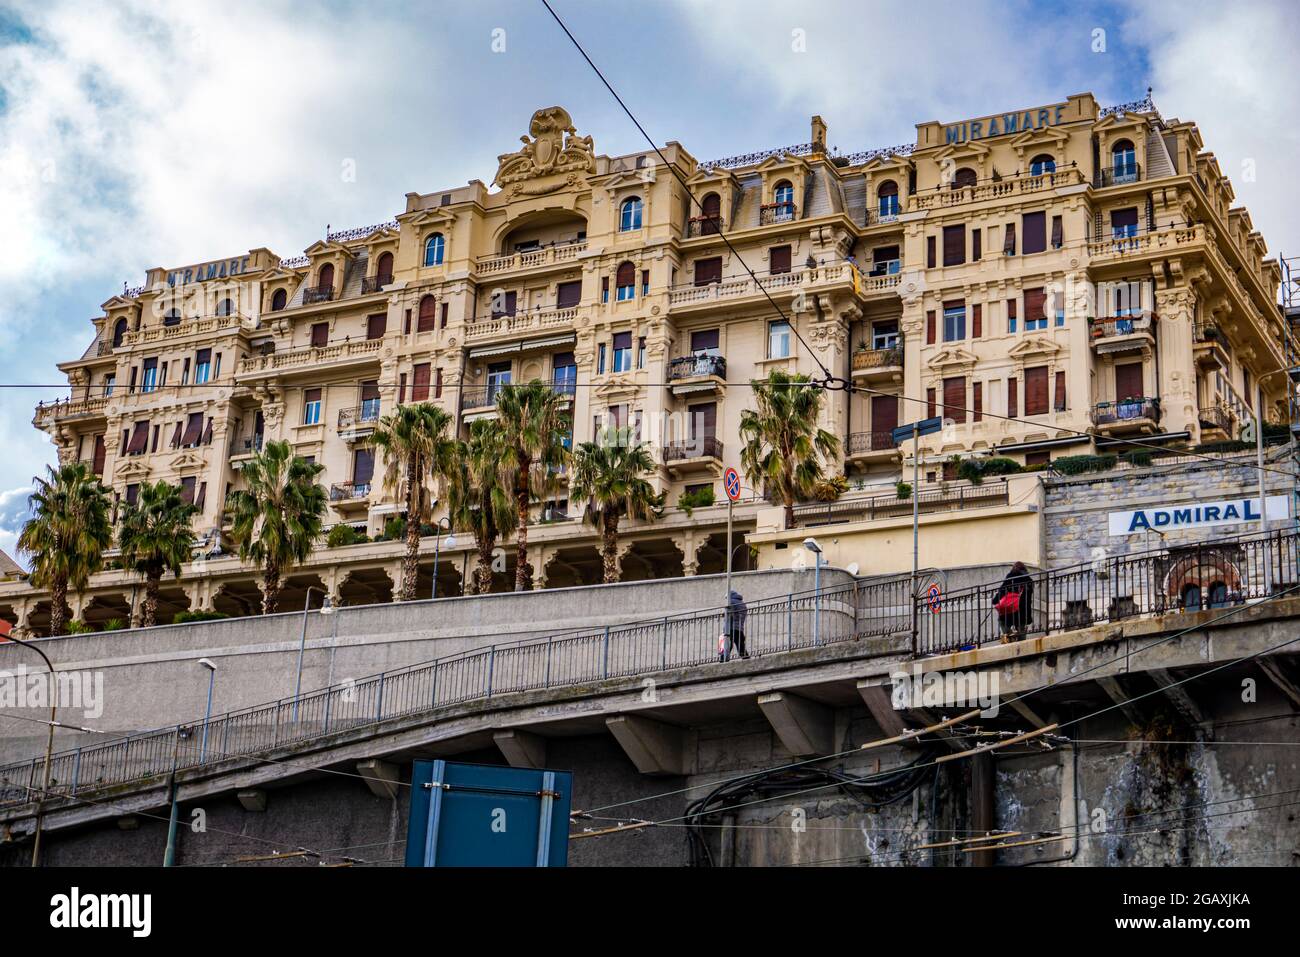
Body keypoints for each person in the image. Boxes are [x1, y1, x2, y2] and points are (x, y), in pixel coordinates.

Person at [992, 561, 1033, 640]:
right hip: (1023, 610)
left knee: (1003, 622)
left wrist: (995, 600)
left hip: (1011, 607)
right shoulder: (1029, 579)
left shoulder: (1011, 576)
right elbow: (1029, 595)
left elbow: (1002, 590)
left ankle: (1010, 636)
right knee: (1021, 629)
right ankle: (1021, 644)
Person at [724, 590, 749, 660]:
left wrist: (725, 614)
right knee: (740, 644)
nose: (726, 600)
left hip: (732, 627)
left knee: (728, 643)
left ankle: (723, 659)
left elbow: (730, 613)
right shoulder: (742, 603)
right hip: (740, 627)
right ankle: (746, 658)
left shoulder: (731, 602)